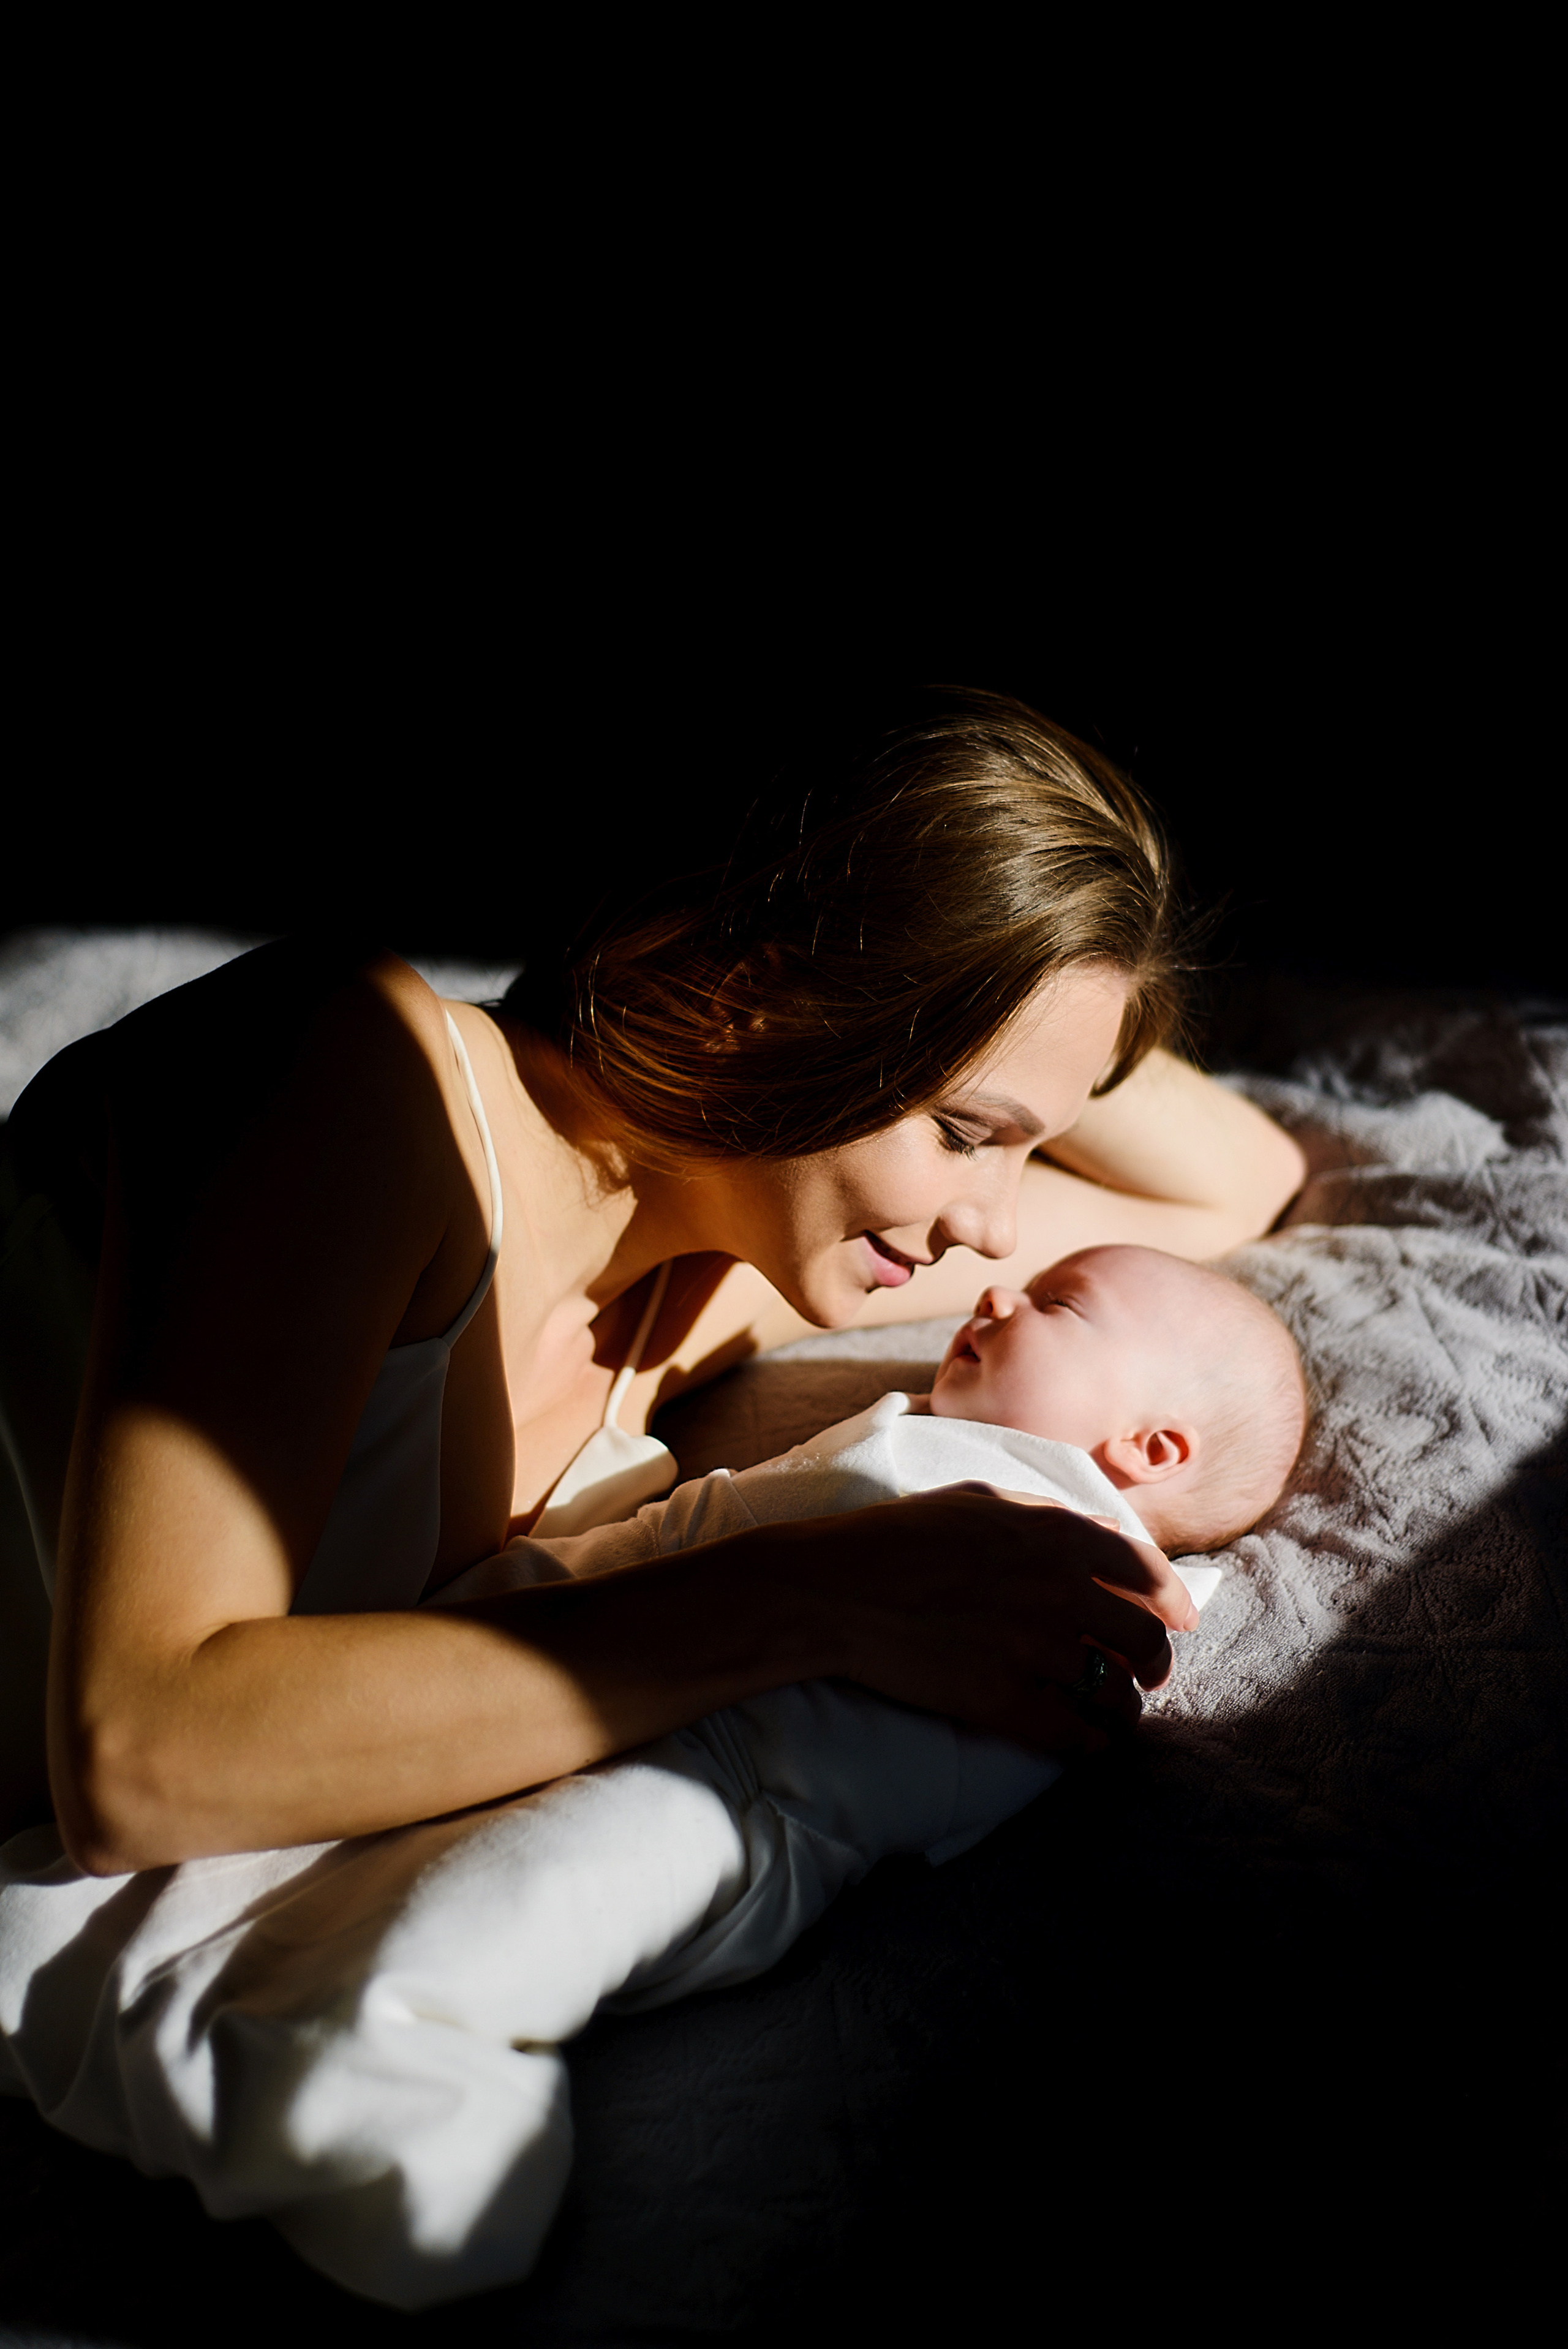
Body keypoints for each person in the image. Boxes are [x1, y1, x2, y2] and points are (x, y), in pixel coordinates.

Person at [0, 691, 1308, 1864]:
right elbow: (142, 1755)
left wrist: (1062, 962)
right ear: (762, 996)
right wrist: (818, 1597)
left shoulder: (710, 1277)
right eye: (964, 1132)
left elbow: (1223, 1187)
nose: (990, 1223)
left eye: (1027, 1140)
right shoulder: (354, 1078)